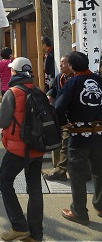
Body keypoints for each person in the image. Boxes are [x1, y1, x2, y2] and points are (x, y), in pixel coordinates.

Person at [0, 57, 44, 242]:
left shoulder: (12, 92)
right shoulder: (37, 91)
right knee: (35, 189)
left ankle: (19, 226)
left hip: (18, 149)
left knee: (4, 181)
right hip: (38, 148)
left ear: (14, 72)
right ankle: (36, 234)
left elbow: (2, 120)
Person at [55, 51, 102, 225]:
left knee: (77, 174)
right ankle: (101, 205)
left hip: (79, 135)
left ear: (72, 66)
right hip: (100, 134)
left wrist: (63, 123)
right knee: (99, 172)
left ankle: (79, 211)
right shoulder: (99, 80)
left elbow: (59, 107)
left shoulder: (72, 82)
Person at [43, 55, 73, 181]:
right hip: (59, 116)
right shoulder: (59, 77)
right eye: (60, 63)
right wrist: (49, 95)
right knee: (58, 142)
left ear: (71, 65)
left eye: (64, 63)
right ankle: (58, 168)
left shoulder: (75, 79)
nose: (60, 65)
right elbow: (53, 90)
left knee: (65, 144)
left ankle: (60, 171)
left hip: (71, 118)